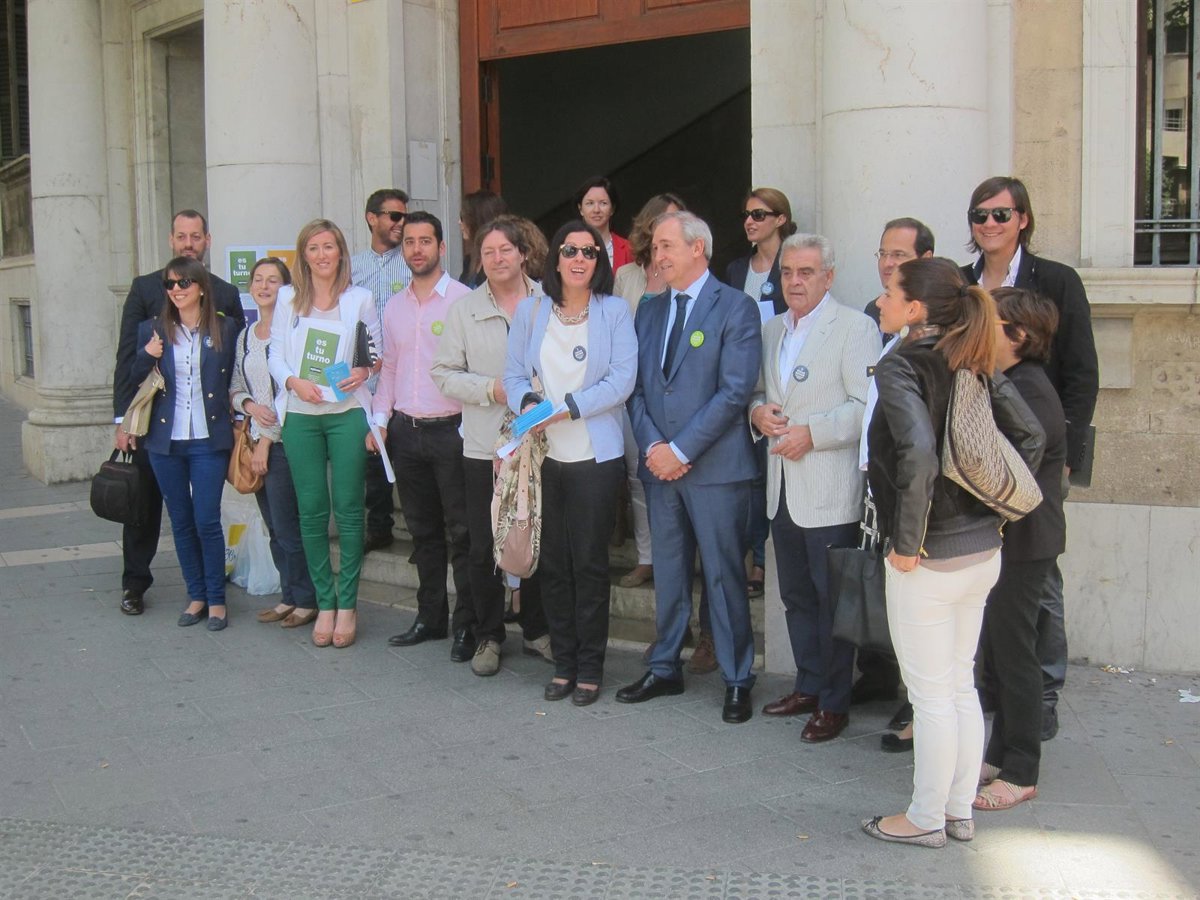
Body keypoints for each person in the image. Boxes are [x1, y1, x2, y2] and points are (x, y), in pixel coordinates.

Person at [861, 257, 1044, 848]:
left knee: (930, 695)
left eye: (890, 292)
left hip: (929, 556)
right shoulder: (972, 355)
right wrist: (993, 510)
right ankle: (958, 810)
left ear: (914, 308)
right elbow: (1031, 436)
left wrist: (907, 542)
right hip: (982, 551)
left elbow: (917, 453)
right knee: (960, 684)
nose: (882, 300)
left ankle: (924, 818)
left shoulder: (902, 363)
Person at [959, 176, 1099, 741]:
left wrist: (1063, 456)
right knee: (989, 578)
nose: (989, 224)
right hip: (978, 455)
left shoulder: (1056, 281)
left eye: (1000, 214)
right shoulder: (963, 284)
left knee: (1038, 576)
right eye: (980, 215)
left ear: (1022, 218)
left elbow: (1081, 373)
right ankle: (995, 688)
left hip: (1040, 455)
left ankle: (1041, 695)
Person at [617, 211, 762, 724]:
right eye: (655, 247)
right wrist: (656, 445)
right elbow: (636, 388)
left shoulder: (736, 307)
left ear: (697, 248)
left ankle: (738, 677)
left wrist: (680, 450)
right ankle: (664, 667)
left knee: (723, 576)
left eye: (666, 246)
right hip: (660, 468)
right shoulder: (650, 310)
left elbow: (735, 391)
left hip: (715, 469)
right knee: (671, 573)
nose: (657, 256)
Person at [749, 234, 880, 742]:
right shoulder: (772, 329)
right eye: (787, 272)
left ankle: (834, 702)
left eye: (806, 272)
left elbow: (866, 406)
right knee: (796, 596)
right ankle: (808, 684)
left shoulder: (854, 327)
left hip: (828, 489)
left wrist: (814, 433)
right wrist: (757, 414)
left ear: (829, 276)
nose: (795, 281)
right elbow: (759, 392)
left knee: (831, 602)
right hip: (782, 487)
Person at [504, 219, 636, 706]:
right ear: (555, 258)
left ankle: (590, 668)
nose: (579, 259)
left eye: (589, 252)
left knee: (590, 565)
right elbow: (513, 374)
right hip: (543, 455)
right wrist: (528, 404)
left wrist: (569, 408)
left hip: (594, 457)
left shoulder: (614, 311)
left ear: (599, 262)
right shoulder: (531, 310)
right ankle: (564, 664)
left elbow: (622, 379)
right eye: (570, 250)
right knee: (554, 565)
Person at [430, 215, 553, 675]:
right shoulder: (464, 309)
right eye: (488, 252)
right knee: (483, 545)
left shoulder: (549, 302)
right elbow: (443, 373)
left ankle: (538, 630)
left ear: (523, 253)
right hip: (484, 446)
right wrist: (491, 389)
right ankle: (488, 634)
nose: (497, 258)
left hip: (539, 445)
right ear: (478, 260)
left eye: (505, 250)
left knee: (538, 537)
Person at [111, 209, 245, 616]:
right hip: (156, 427)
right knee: (148, 507)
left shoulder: (225, 296)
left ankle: (212, 595)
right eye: (182, 236)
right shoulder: (145, 290)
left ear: (207, 240)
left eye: (196, 236)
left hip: (207, 432)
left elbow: (239, 365)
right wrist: (123, 421)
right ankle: (140, 584)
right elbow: (128, 360)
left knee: (204, 518)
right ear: (171, 239)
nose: (188, 243)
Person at [975, 287, 1067, 811]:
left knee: (1016, 655)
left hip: (1026, 541)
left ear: (1019, 335)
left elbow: (1008, 471)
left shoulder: (1030, 389)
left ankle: (1022, 769)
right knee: (1000, 651)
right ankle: (999, 754)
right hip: (1013, 538)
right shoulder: (1013, 381)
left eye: (989, 321)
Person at [370, 212, 477, 661]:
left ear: (441, 247)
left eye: (425, 241)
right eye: (409, 242)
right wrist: (379, 420)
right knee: (423, 532)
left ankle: (468, 625)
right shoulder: (394, 306)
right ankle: (430, 617)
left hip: (453, 432)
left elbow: (475, 367)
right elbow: (390, 369)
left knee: (463, 533)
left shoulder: (464, 301)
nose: (417, 249)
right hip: (405, 432)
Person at [268, 219, 379, 649]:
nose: (321, 255)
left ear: (340, 252)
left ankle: (348, 604)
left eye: (328, 246)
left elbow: (375, 353)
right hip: (301, 414)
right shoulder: (287, 298)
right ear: (303, 255)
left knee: (349, 509)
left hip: (346, 413)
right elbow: (276, 352)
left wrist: (363, 372)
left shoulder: (360, 299)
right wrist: (293, 382)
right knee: (312, 511)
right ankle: (325, 602)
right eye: (313, 248)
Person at [852, 216, 936, 750]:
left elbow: (920, 446)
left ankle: (918, 709)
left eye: (899, 256)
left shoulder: (928, 345)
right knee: (885, 595)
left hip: (913, 495)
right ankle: (887, 679)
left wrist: (908, 531)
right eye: (883, 253)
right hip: (877, 480)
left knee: (917, 606)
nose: (887, 264)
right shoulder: (881, 320)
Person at [230, 257, 317, 628]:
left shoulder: (292, 333)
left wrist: (267, 441)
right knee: (272, 527)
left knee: (287, 525)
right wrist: (248, 405)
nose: (263, 287)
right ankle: (288, 595)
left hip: (284, 443)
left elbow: (291, 392)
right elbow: (236, 384)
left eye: (272, 281)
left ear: (286, 289)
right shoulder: (245, 336)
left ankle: (307, 599)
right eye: (258, 280)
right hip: (253, 439)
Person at [611, 192, 687, 593]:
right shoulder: (627, 276)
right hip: (632, 393)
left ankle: (679, 558)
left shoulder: (686, 274)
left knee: (680, 473)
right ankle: (647, 558)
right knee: (638, 475)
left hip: (676, 393)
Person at [725, 188, 798, 604]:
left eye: (759, 214)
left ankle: (765, 562)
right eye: (746, 215)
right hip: (743, 383)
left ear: (780, 219)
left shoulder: (792, 264)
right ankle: (752, 556)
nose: (749, 222)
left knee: (773, 475)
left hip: (782, 382)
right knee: (750, 478)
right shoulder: (737, 268)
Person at [350, 188, 411, 556]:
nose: (401, 223)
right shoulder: (352, 267)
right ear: (372, 218)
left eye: (405, 216)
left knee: (410, 459)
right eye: (394, 216)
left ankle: (423, 533)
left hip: (408, 376)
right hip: (367, 379)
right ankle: (379, 527)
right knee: (373, 457)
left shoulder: (413, 263)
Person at [574, 175, 633, 270]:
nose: (596, 210)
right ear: (580, 209)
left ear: (612, 209)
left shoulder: (629, 249)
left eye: (603, 203)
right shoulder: (570, 250)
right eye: (590, 203)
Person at [459, 190, 509, 288]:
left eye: (463, 217)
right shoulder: (469, 260)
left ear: (477, 220)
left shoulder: (502, 261)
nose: (459, 222)